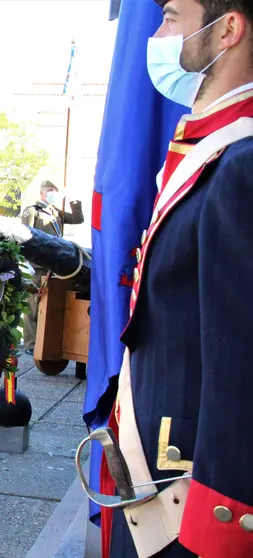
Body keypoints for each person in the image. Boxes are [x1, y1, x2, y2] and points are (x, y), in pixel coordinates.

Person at [107, 1, 253, 557]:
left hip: (189, 505)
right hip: (155, 477)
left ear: (228, 31)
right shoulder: (208, 148)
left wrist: (221, 532)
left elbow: (241, 373)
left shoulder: (240, 165)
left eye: (171, 16)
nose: (158, 32)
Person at [20, 180, 84, 356]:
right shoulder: (33, 211)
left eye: (55, 191)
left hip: (54, 267)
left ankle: (43, 341)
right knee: (33, 305)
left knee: (48, 306)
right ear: (41, 193)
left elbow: (78, 219)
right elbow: (24, 234)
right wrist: (26, 262)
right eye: (49, 191)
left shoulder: (55, 212)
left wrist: (73, 200)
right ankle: (30, 343)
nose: (52, 194)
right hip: (38, 265)